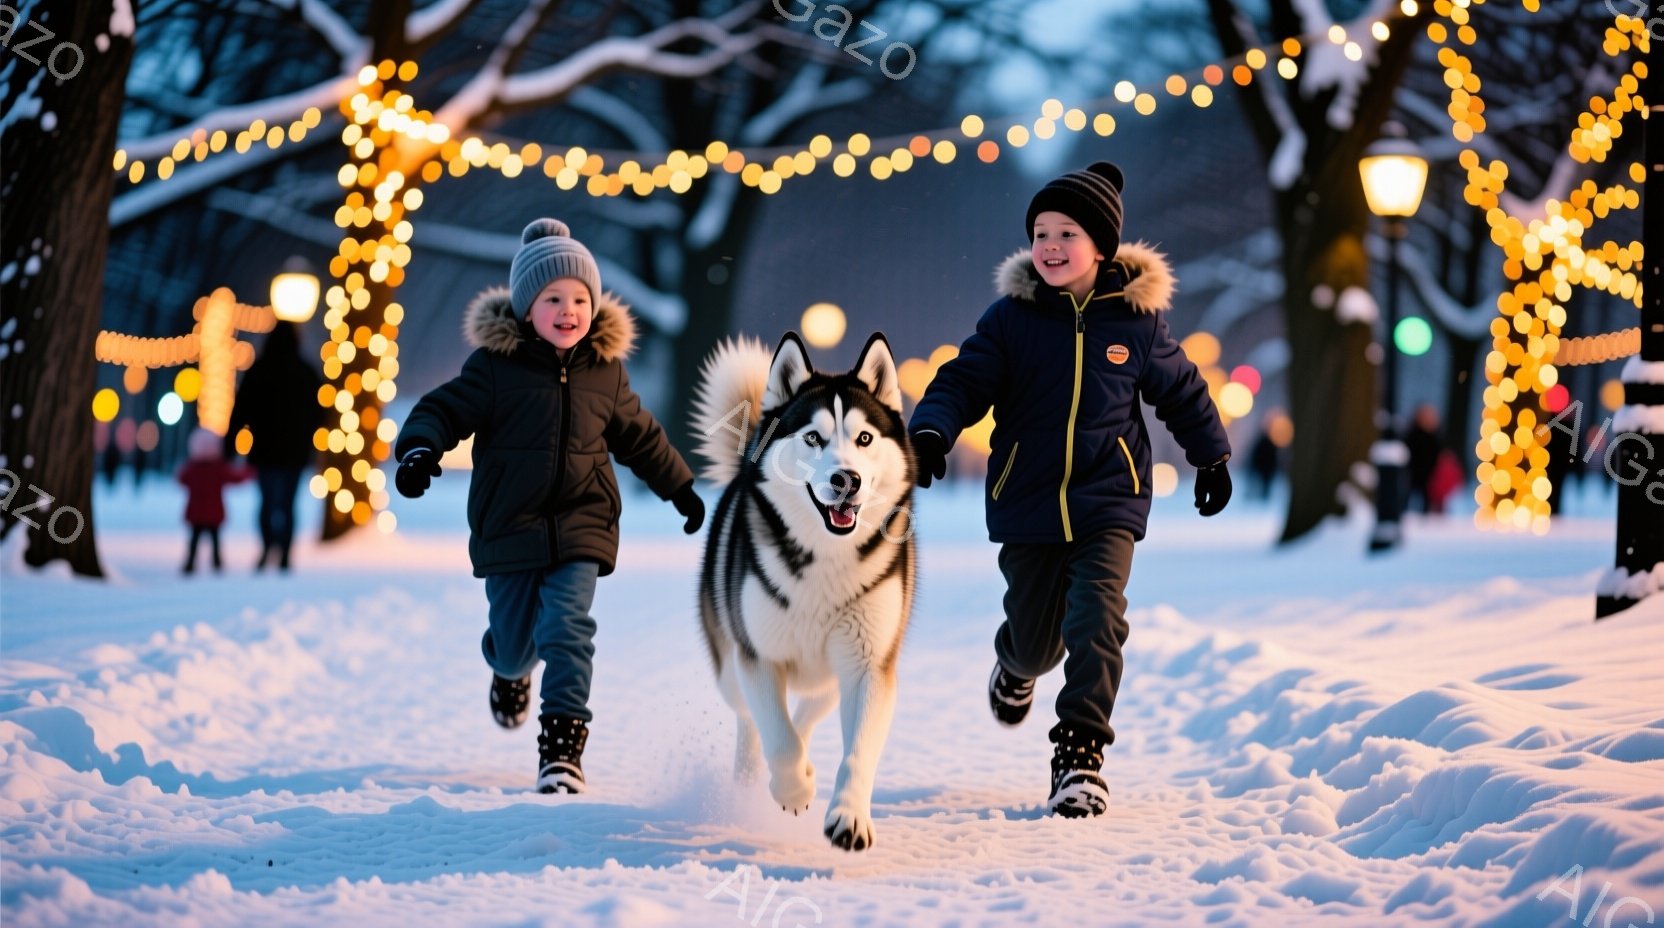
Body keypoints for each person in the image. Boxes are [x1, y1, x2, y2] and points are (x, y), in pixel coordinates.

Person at [908, 162, 1232, 818]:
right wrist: (933, 432)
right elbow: (961, 381)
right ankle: (1015, 665)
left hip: (1109, 497)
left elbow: (1184, 389)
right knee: (1035, 639)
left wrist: (1212, 457)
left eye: (1067, 232)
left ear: (1103, 246)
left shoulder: (1137, 323)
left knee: (1097, 617)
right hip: (1026, 497)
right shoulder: (1012, 319)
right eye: (1040, 232)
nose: (1051, 245)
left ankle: (1079, 755)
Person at [392, 219, 705, 795]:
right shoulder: (493, 368)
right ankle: (508, 674)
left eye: (581, 298)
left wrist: (679, 487)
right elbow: (441, 411)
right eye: (553, 298)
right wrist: (417, 451)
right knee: (514, 646)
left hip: (583, 523)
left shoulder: (604, 373)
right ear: (525, 307)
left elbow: (640, 435)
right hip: (510, 525)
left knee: (567, 627)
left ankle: (561, 752)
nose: (569, 310)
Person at [225, 320, 324, 571]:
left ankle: (268, 544)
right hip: (295, 451)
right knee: (289, 504)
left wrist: (230, 445)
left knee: (267, 502)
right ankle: (285, 552)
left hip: (264, 449)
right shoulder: (306, 372)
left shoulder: (259, 370)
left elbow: (241, 409)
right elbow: (321, 413)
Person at [177, 427, 253, 574]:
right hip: (214, 513)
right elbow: (235, 477)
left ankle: (191, 563)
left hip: (196, 513)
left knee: (194, 539)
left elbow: (181, 479)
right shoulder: (218, 468)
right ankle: (216, 562)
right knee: (214, 539)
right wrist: (249, 472)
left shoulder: (192, 468)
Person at [1405, 403, 1443, 514]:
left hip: (1428, 472)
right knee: (1410, 492)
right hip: (1414, 471)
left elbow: (1436, 454)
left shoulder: (1434, 437)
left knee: (1427, 494)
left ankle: (1426, 513)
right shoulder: (1413, 434)